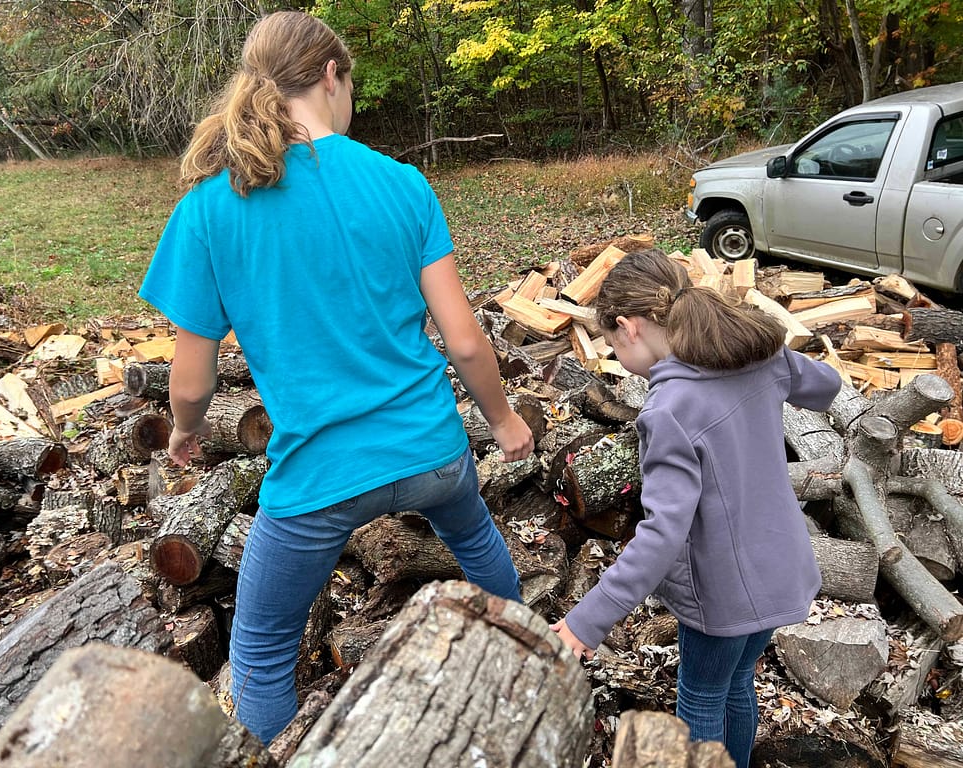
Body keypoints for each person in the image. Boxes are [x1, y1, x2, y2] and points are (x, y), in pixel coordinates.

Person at [138, 11, 534, 745]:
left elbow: (189, 384)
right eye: (348, 83)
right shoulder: (402, 184)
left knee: (258, 648)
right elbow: (467, 342)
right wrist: (505, 422)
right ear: (331, 76)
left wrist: (187, 433)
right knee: (481, 550)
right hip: (433, 454)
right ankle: (532, 675)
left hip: (317, 481)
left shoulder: (207, 210)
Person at [550, 248, 841, 768]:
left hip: (722, 593)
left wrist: (584, 622)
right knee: (736, 685)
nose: (619, 360)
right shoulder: (755, 354)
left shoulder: (669, 411)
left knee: (704, 695)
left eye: (614, 347)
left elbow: (662, 534)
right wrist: (769, 352)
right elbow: (827, 386)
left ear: (629, 327)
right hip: (782, 570)